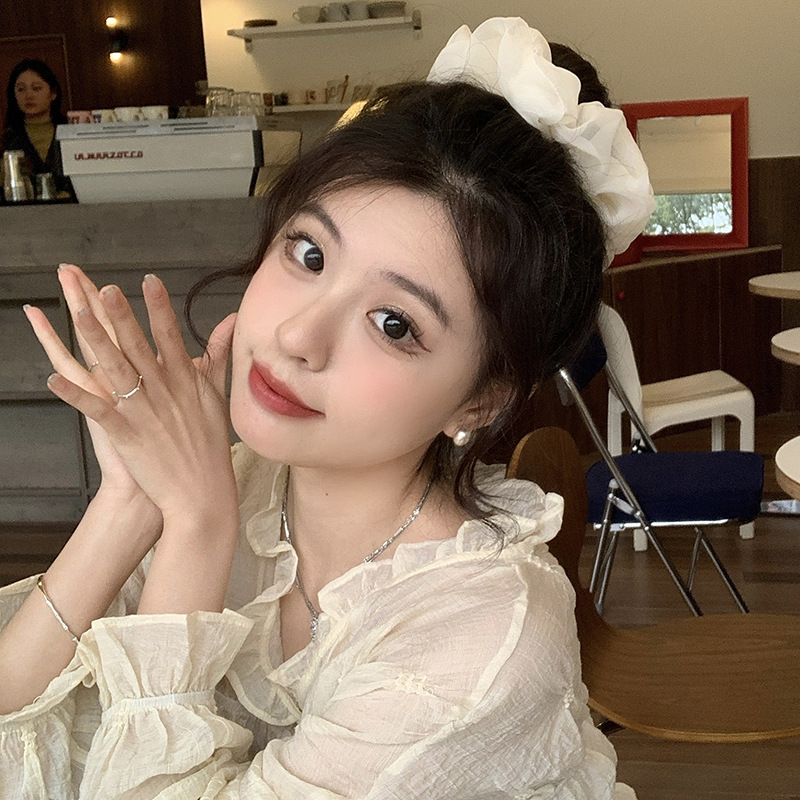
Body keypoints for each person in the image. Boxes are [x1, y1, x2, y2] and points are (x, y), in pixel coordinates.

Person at [0, 18, 653, 800]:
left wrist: (197, 528)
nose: (297, 337)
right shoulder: (239, 485)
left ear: (480, 399)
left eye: (394, 324)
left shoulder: (480, 635)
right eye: (309, 254)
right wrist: (129, 504)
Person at [2, 58, 74, 199]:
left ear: (53, 93)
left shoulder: (71, 131)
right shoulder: (7, 138)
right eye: (21, 89)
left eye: (36, 88)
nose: (28, 96)